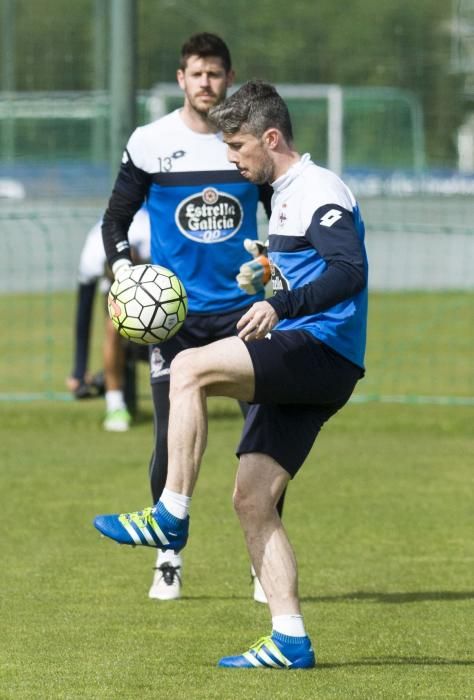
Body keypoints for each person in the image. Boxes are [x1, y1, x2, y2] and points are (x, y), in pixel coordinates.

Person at [94, 80, 368, 669]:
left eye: (240, 146)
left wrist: (281, 305)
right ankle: (289, 637)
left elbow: (349, 270)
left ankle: (169, 512)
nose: (232, 159)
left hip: (319, 350)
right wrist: (268, 272)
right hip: (312, 353)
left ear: (271, 138)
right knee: (251, 499)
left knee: (189, 367)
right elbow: (310, 265)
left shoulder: (318, 189)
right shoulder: (285, 193)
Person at [99, 34, 283, 602]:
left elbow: (280, 214)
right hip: (176, 320)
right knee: (169, 441)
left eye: (216, 74)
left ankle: (262, 565)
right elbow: (115, 220)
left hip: (245, 315)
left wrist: (273, 264)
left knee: (264, 441)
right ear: (181, 79)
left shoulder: (246, 144)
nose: (207, 83)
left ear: (229, 78)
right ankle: (168, 557)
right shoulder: (151, 142)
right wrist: (126, 271)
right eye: (197, 74)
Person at [67, 206, 151, 431]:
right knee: (113, 328)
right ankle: (115, 405)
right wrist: (78, 370)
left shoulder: (154, 234)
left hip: (156, 292)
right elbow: (83, 315)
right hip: (114, 302)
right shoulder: (93, 253)